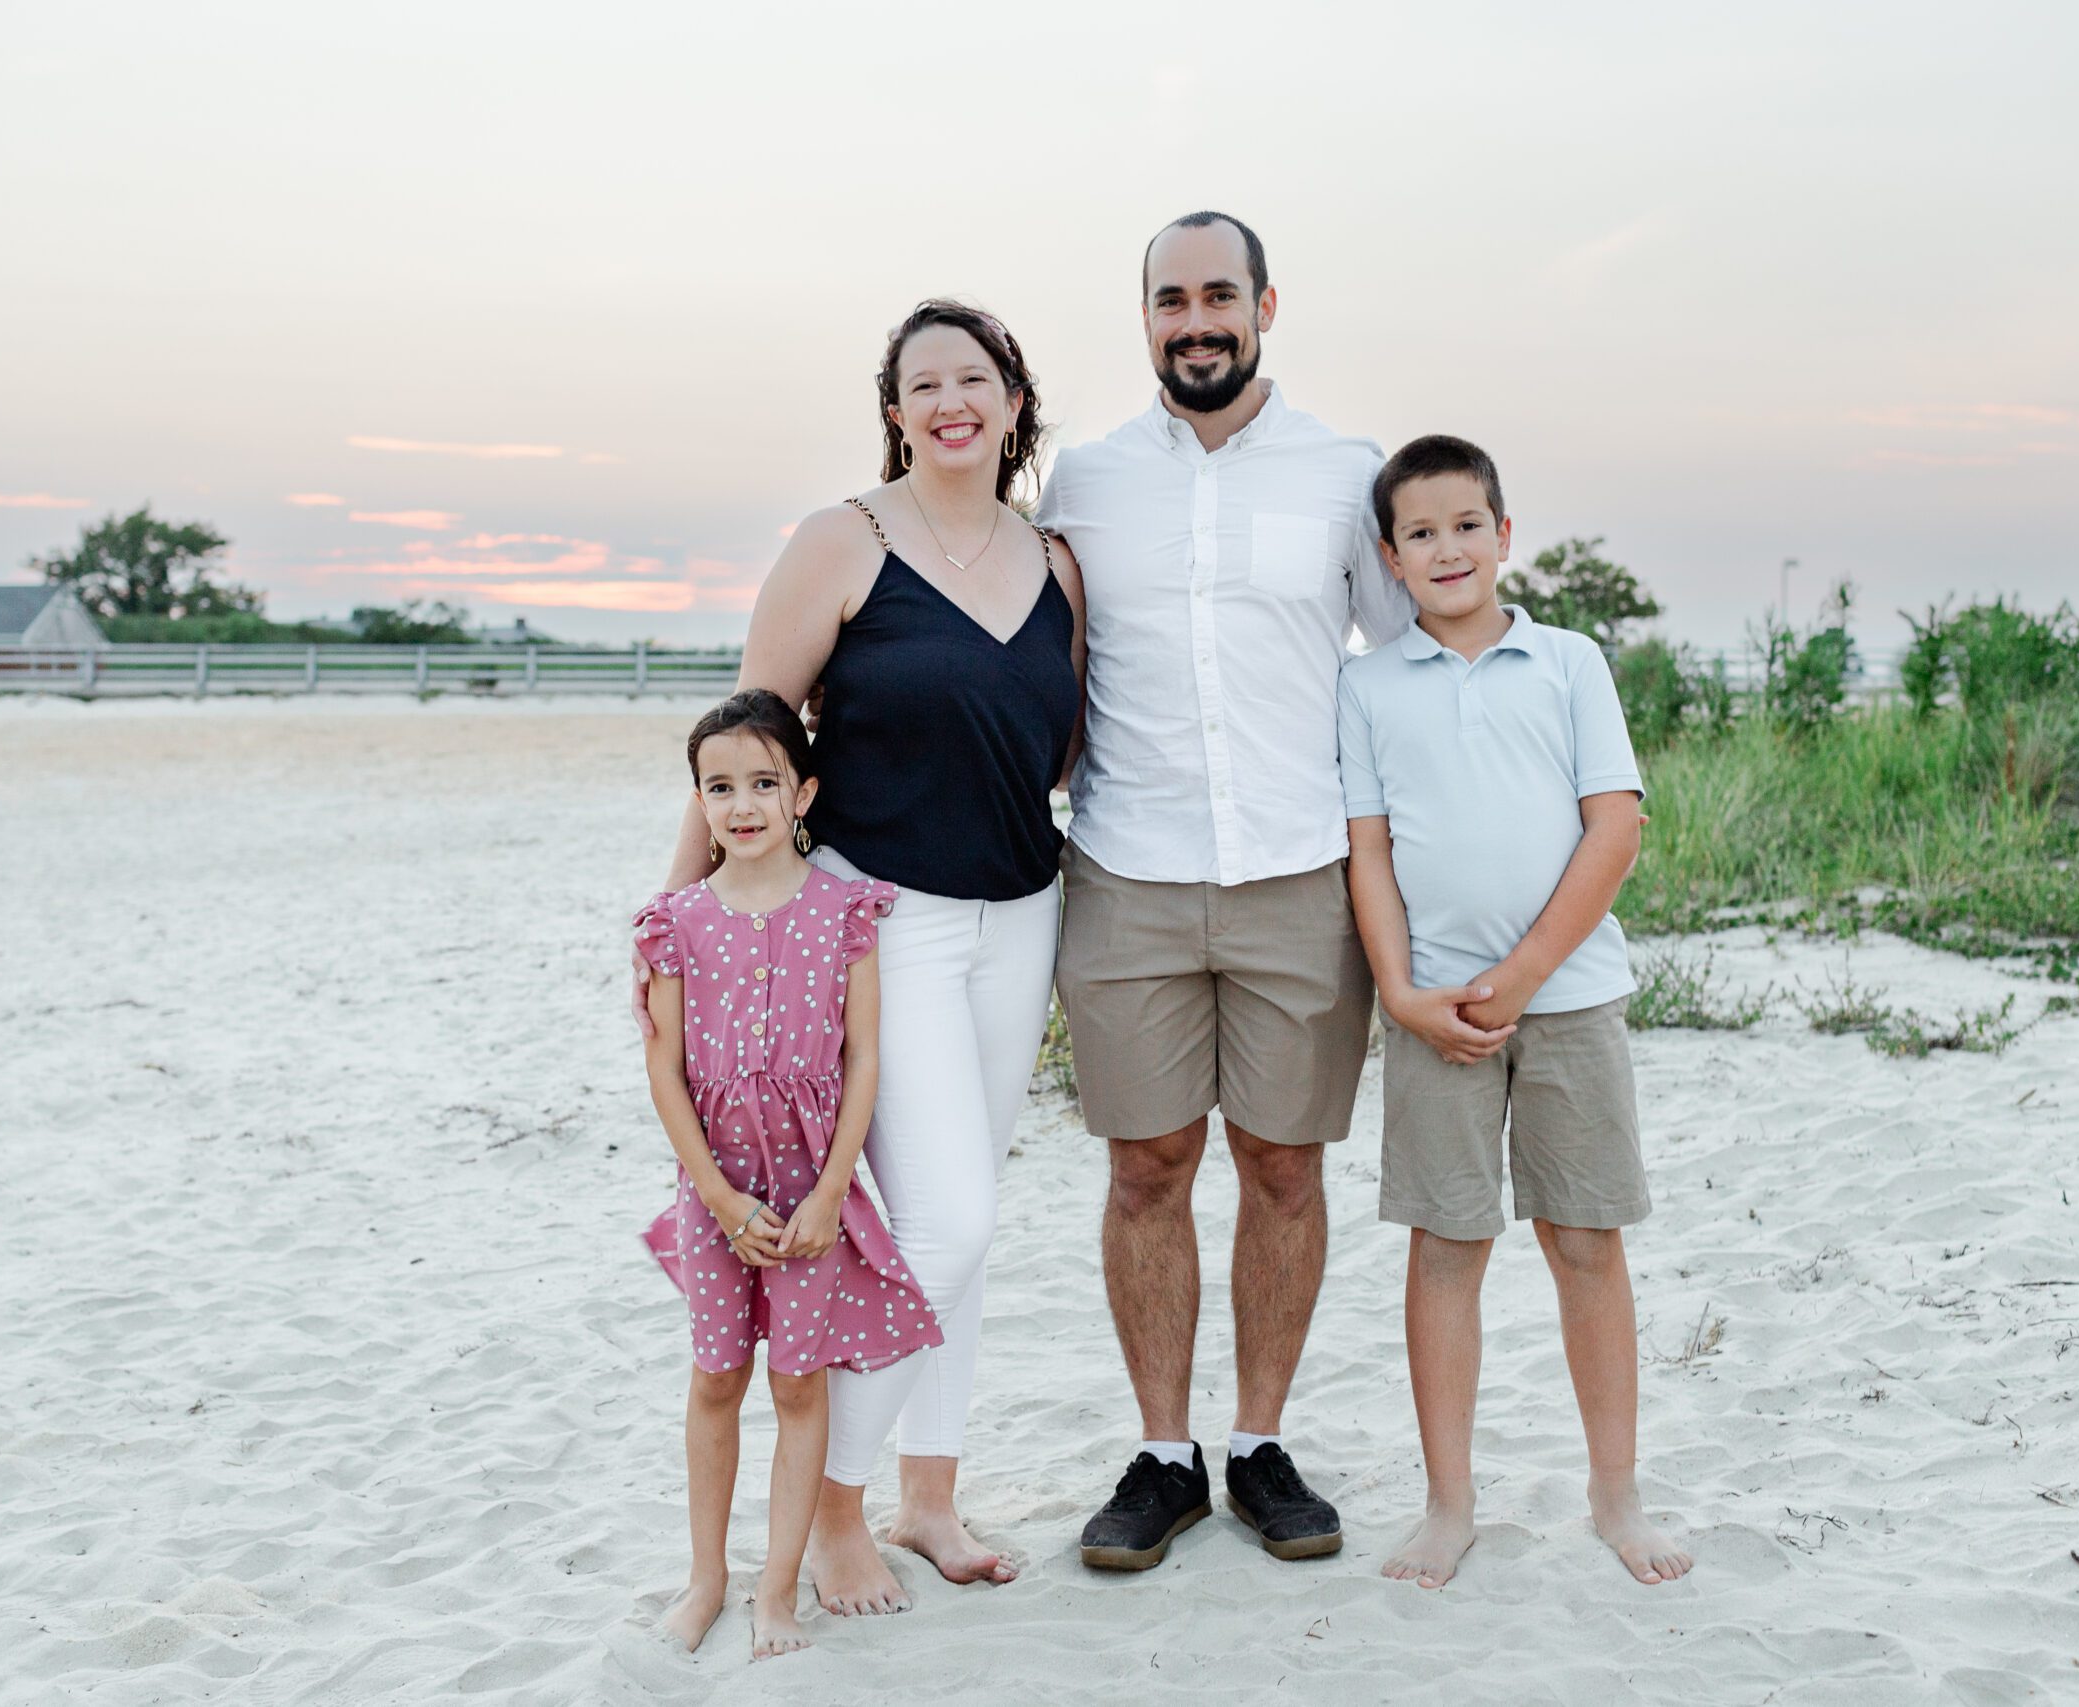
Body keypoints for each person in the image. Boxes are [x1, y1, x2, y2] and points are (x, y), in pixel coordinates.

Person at [633, 300, 1086, 1615]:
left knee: (966, 1227)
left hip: (1023, 914)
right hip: (877, 918)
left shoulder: (1055, 564)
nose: (951, 399)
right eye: (922, 382)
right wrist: (673, 924)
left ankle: (928, 1497)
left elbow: (1051, 742)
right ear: (895, 411)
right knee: (942, 1220)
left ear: (1012, 402)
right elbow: (747, 739)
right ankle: (830, 1504)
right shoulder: (844, 539)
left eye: (976, 377)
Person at [1034, 211, 1415, 1570]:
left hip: (1299, 872)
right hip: (1126, 872)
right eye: (1167, 299)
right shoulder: (1080, 480)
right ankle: (1160, 1451)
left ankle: (1257, 1443)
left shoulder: (1341, 473)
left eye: (1217, 295)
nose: (1194, 320)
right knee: (1147, 1166)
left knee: (1282, 1163)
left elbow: (1404, 658)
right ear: (1142, 317)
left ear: (1265, 303)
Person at [1338, 434, 1695, 1590]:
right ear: (1389, 559)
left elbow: (1615, 827)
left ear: (1505, 533)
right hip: (1433, 1007)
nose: (1446, 548)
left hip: (1570, 999)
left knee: (1586, 1240)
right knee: (1446, 1244)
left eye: (1465, 524)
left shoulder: (1569, 661)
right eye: (1420, 533)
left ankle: (1616, 1493)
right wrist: (1400, 993)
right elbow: (1370, 851)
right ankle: (1449, 1505)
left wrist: (1530, 973)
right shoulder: (1368, 683)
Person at [634, 690, 938, 1658]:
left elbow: (864, 1060)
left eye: (764, 782)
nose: (743, 804)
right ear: (699, 803)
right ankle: (707, 1579)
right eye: (719, 788)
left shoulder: (847, 912)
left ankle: (777, 1590)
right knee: (717, 1375)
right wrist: (720, 1200)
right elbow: (663, 1068)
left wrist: (827, 1192)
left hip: (812, 1194)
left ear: (803, 792)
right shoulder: (675, 922)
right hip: (716, 1192)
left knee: (799, 1387)